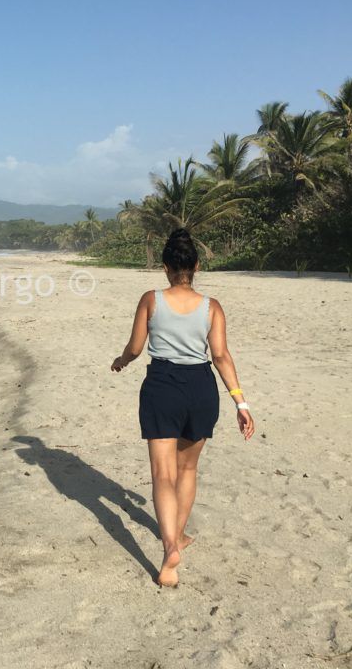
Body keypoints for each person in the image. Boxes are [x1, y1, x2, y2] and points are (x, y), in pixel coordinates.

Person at [111, 228, 255, 588]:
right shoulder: (212, 307)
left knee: (163, 474)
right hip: (201, 389)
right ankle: (178, 536)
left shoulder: (151, 299)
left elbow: (134, 347)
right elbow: (220, 356)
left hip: (162, 386)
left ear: (165, 268)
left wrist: (120, 361)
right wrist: (241, 402)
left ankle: (170, 547)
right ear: (197, 266)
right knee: (187, 469)